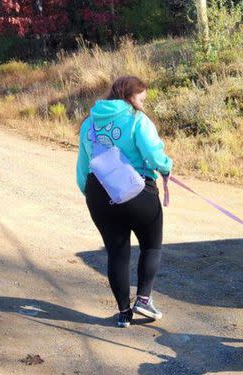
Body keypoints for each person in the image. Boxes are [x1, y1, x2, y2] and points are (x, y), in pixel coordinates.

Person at [76, 76, 172, 328]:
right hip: (135, 188)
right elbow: (153, 154)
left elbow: (83, 167)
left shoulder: (89, 123)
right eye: (141, 97)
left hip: (98, 192)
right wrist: (166, 167)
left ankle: (123, 313)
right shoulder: (136, 119)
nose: (143, 102)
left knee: (117, 252)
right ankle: (143, 299)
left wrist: (92, 195)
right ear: (130, 96)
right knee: (151, 245)